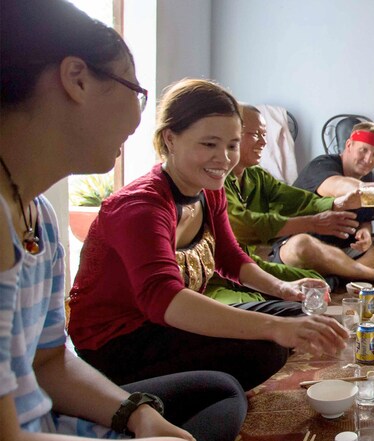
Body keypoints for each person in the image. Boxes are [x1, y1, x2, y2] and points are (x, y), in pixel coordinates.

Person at [0, 1, 256, 441]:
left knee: (216, 395)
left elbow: (50, 361)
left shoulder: (35, 212)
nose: (141, 117)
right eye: (135, 90)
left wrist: (134, 415)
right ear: (76, 79)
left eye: (230, 144)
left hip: (50, 428)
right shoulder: (133, 203)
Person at [68, 79, 349, 391]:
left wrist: (283, 288)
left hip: (168, 323)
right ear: (170, 139)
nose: (224, 158)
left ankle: (206, 385)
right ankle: (178, 394)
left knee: (299, 313)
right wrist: (275, 328)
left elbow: (229, 257)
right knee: (266, 348)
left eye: (231, 145)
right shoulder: (141, 207)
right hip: (119, 342)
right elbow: (164, 299)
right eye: (209, 144)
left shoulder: (208, 191)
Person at [205, 104, 360, 304]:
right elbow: (245, 226)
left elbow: (296, 198)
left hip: (248, 265)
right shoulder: (214, 180)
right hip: (216, 278)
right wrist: (313, 223)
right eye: (255, 135)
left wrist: (336, 203)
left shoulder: (256, 176)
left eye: (264, 134)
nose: (263, 142)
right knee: (262, 303)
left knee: (317, 283)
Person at [287, 121, 374, 283]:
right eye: (363, 150)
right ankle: (366, 274)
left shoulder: (371, 177)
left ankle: (344, 276)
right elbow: (339, 187)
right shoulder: (321, 165)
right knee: (300, 246)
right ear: (349, 145)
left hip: (347, 250)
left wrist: (366, 234)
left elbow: (365, 222)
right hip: (314, 248)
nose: (368, 159)